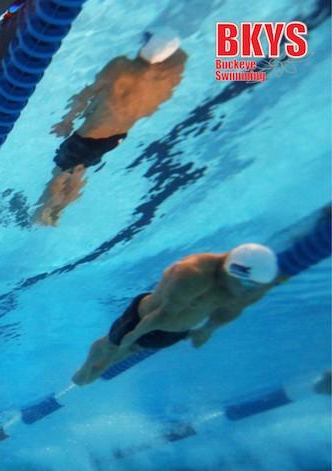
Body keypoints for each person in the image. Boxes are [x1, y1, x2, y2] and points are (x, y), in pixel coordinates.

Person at [33, 29, 187, 226]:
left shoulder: (120, 67)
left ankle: (40, 216)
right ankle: (58, 212)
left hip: (88, 137)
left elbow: (85, 95)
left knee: (59, 175)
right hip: (115, 139)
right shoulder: (159, 80)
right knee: (79, 171)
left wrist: (66, 121)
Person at [72, 244, 278, 386]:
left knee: (127, 352)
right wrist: (133, 335)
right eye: (246, 285)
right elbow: (163, 314)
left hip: (175, 331)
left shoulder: (245, 282)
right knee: (111, 344)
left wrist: (208, 329)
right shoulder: (192, 273)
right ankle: (86, 367)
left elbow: (233, 309)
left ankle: (103, 365)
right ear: (234, 271)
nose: (246, 291)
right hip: (143, 319)